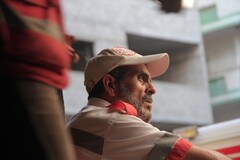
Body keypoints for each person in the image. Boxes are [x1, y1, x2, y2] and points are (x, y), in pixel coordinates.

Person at [66, 46, 231, 160]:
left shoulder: (85, 120)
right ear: (110, 85)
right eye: (141, 78)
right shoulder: (111, 122)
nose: (152, 89)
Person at [0, 0, 79, 159]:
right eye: (141, 77)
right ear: (109, 84)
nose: (145, 87)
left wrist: (55, 41)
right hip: (24, 70)